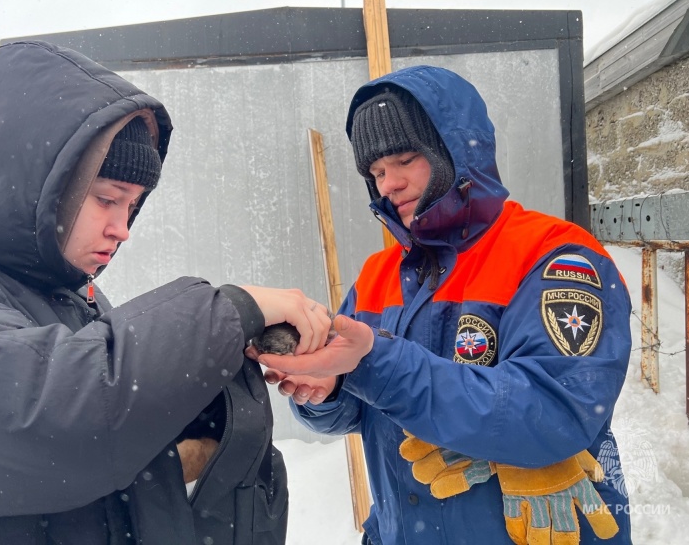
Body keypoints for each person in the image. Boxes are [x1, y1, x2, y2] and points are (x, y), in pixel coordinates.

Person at [0, 40, 331, 544]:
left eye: (133, 206)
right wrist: (226, 315)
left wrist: (216, 396)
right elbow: (45, 420)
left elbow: (116, 429)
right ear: (29, 184)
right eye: (106, 199)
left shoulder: (65, 294)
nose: (123, 228)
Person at [258, 65, 633, 544]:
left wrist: (374, 362)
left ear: (456, 151)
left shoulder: (554, 256)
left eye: (405, 159)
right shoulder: (378, 272)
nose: (387, 185)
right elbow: (365, 410)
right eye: (375, 172)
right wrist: (328, 388)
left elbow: (557, 407)